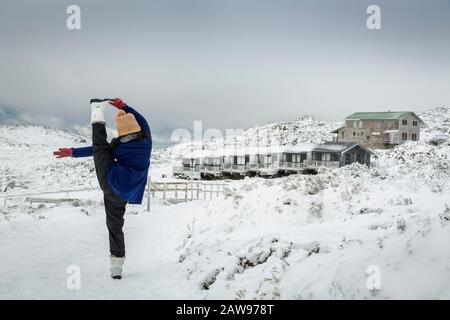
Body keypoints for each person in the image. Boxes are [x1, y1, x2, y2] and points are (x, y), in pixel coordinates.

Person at [53, 98, 152, 279]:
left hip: (111, 183)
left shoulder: (118, 145)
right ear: (137, 127)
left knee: (114, 227)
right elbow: (143, 120)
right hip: (126, 193)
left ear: (121, 131)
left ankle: (116, 266)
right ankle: (97, 111)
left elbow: (97, 150)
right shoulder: (147, 141)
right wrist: (124, 107)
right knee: (116, 226)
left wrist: (72, 152)